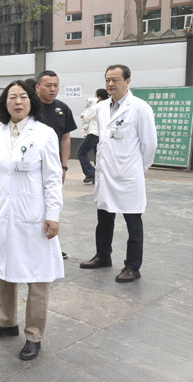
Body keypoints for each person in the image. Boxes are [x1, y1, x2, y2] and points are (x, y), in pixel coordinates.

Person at [0, 80, 64, 361]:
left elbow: (53, 179)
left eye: (23, 97)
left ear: (31, 101)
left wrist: (53, 215)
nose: (18, 102)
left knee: (37, 277)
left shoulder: (44, 134)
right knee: (5, 271)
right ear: (5, 103)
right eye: (12, 97)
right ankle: (7, 322)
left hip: (34, 216)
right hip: (6, 215)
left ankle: (34, 334)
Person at [79, 65, 157, 283]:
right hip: (106, 173)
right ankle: (103, 255)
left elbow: (149, 144)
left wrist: (139, 168)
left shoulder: (140, 108)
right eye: (107, 80)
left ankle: (132, 266)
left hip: (128, 174)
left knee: (133, 222)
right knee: (104, 218)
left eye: (115, 80)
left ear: (128, 81)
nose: (110, 84)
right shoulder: (102, 107)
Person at [35, 70, 77, 260]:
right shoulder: (29, 108)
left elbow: (66, 138)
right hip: (32, 168)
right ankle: (33, 245)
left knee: (52, 206)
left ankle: (51, 246)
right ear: (37, 87)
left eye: (56, 85)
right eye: (48, 85)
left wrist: (64, 166)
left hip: (54, 169)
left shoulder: (62, 109)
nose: (52, 89)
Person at [77, 89, 109, 184]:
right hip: (103, 134)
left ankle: (91, 173)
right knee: (98, 156)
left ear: (99, 97)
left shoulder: (96, 106)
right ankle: (99, 176)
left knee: (80, 152)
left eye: (95, 95)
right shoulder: (108, 105)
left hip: (94, 133)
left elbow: (86, 118)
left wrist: (87, 108)